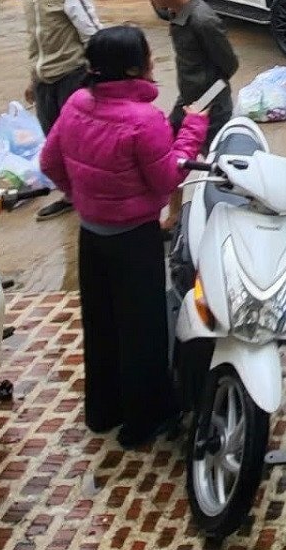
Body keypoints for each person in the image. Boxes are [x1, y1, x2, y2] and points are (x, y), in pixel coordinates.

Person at [37, 26, 209, 446]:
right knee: (143, 329)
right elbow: (168, 175)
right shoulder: (144, 120)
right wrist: (192, 131)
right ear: (134, 66)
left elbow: (49, 161)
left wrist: (83, 198)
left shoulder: (78, 103)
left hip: (91, 236)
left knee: (102, 324)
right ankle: (145, 422)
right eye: (148, 56)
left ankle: (103, 410)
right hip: (133, 239)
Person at [14, 0, 101, 218]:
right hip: (45, 81)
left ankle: (90, 192)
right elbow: (34, 42)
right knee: (53, 139)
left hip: (72, 77)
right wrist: (33, 78)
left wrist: (98, 79)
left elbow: (93, 36)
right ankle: (71, 193)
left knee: (78, 139)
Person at [143, 0, 239, 134]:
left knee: (208, 156)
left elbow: (230, 65)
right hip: (188, 98)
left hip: (209, 107)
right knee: (167, 140)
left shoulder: (203, 21)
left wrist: (202, 104)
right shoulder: (176, 12)